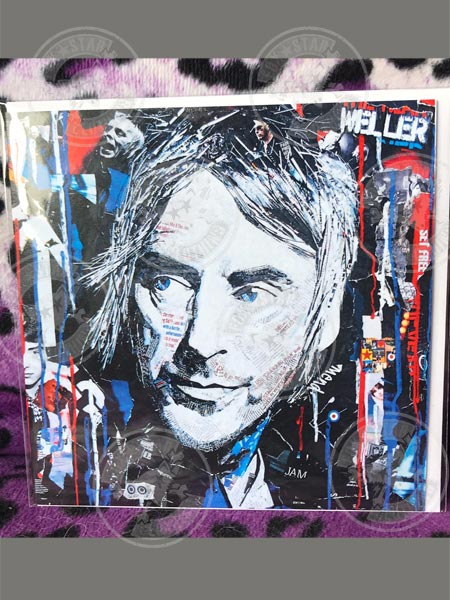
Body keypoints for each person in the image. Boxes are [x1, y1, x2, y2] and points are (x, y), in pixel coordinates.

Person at [82, 106, 359, 508]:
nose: (200, 341)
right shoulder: (74, 479)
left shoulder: (318, 500)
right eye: (167, 283)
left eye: (252, 294)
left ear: (326, 312)